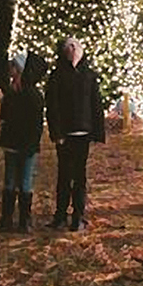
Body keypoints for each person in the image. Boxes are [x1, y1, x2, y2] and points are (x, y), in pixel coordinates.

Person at [44, 35, 105, 231]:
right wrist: (57, 132)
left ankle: (78, 215)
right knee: (64, 175)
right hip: (66, 133)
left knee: (79, 176)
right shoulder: (57, 75)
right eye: (68, 47)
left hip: (83, 132)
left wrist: (97, 131)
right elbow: (52, 106)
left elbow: (96, 103)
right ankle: (60, 214)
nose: (72, 49)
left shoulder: (89, 75)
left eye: (75, 46)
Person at [0, 54, 45, 232]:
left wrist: (33, 143)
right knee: (10, 181)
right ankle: (7, 219)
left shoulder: (32, 94)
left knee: (24, 182)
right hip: (12, 142)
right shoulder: (11, 92)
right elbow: (5, 117)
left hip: (26, 144)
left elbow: (36, 123)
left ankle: (24, 221)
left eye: (13, 68)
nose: (11, 71)